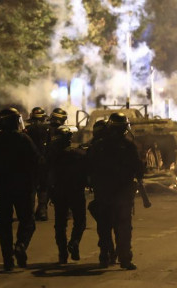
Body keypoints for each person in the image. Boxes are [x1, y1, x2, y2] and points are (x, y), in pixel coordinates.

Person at [86, 112, 144, 270]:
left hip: (104, 193)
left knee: (104, 227)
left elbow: (88, 167)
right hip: (123, 194)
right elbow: (138, 168)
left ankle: (105, 256)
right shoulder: (128, 146)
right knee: (123, 226)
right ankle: (125, 259)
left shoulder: (98, 145)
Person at [0, 107, 40, 271]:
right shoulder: (24, 139)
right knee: (27, 221)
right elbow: (37, 160)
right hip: (24, 187)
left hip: (3, 188)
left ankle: (7, 259)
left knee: (5, 224)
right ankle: (21, 244)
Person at [46, 125, 87, 264]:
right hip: (76, 192)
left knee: (60, 224)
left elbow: (47, 175)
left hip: (59, 193)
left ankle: (62, 253)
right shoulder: (79, 154)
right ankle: (74, 242)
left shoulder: (52, 157)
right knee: (80, 221)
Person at [83, 119, 116, 265]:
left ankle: (106, 251)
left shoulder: (94, 147)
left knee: (103, 223)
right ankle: (115, 251)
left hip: (103, 190)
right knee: (117, 222)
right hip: (115, 190)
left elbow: (87, 167)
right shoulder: (119, 145)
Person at [25, 106, 50, 221]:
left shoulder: (27, 130)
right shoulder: (48, 130)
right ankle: (42, 210)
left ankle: (29, 212)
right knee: (43, 187)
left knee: (31, 187)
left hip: (30, 163)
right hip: (45, 162)